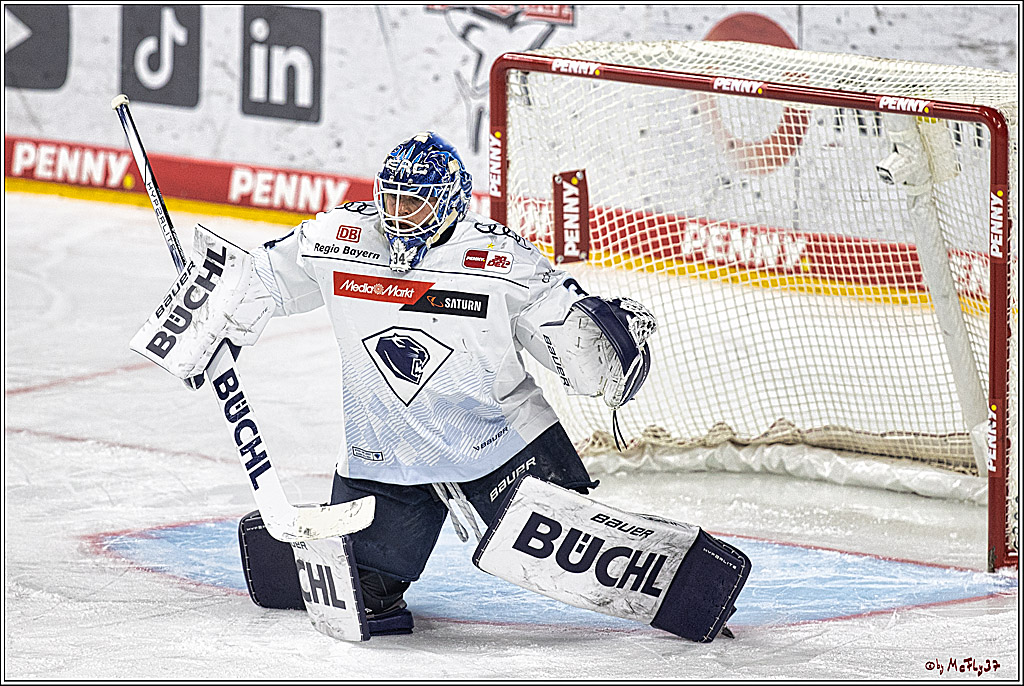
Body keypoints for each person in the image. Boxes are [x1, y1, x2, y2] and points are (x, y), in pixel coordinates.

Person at [133, 132, 746, 641]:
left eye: (416, 207)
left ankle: (687, 583)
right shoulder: (338, 241)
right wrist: (209, 303)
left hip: (501, 446)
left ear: (450, 204)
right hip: (387, 453)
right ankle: (375, 565)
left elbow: (576, 351)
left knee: (573, 548)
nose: (400, 219)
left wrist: (603, 347)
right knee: (363, 593)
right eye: (392, 202)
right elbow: (262, 278)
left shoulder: (501, 260)